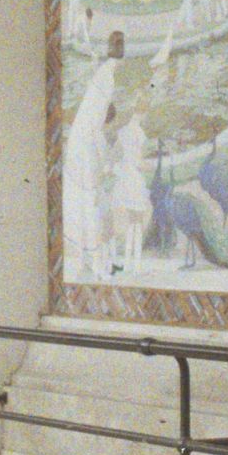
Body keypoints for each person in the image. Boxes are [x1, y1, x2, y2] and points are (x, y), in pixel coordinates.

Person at [64, 30, 123, 282]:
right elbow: (104, 164)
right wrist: (110, 167)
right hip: (92, 185)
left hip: (89, 180)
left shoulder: (89, 129)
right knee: (96, 220)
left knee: (100, 221)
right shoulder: (96, 134)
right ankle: (100, 267)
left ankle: (103, 263)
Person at [105, 104, 152, 276]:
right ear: (142, 112)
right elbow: (139, 162)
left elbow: (115, 155)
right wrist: (150, 166)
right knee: (137, 222)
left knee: (130, 222)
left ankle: (126, 262)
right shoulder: (140, 134)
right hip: (134, 179)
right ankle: (136, 264)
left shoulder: (123, 131)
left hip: (123, 180)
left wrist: (111, 168)